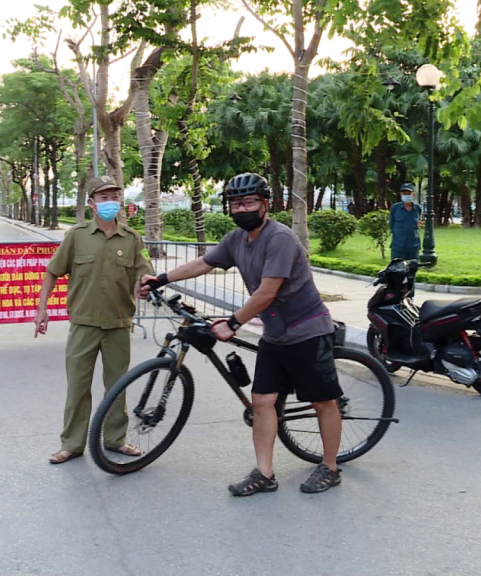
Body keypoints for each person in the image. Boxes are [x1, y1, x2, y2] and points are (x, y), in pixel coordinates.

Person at [139, 172, 344, 496]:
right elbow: (203, 264)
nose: (242, 209)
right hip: (275, 334)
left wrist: (233, 323)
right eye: (236, 204)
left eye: (248, 202)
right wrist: (161, 278)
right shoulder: (236, 239)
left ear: (265, 204)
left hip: (307, 330)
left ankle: (330, 467)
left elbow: (267, 292)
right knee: (261, 402)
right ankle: (265, 473)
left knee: (322, 402)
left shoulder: (280, 239)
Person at [36, 175, 153, 465]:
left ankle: (115, 439)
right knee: (78, 386)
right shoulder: (76, 236)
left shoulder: (131, 238)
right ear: (92, 204)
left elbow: (144, 272)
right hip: (84, 323)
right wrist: (42, 308)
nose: (110, 202)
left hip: (118, 323)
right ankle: (72, 444)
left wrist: (145, 284)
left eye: (114, 196)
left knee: (117, 386)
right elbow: (53, 271)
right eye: (104, 197)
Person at [389, 183, 422, 262]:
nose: (406, 195)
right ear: (401, 194)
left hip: (413, 247)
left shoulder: (417, 208)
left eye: (409, 193)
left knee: (412, 268)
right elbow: (391, 225)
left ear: (413, 194)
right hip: (398, 247)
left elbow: (418, 223)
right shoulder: (395, 208)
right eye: (404, 193)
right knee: (396, 268)